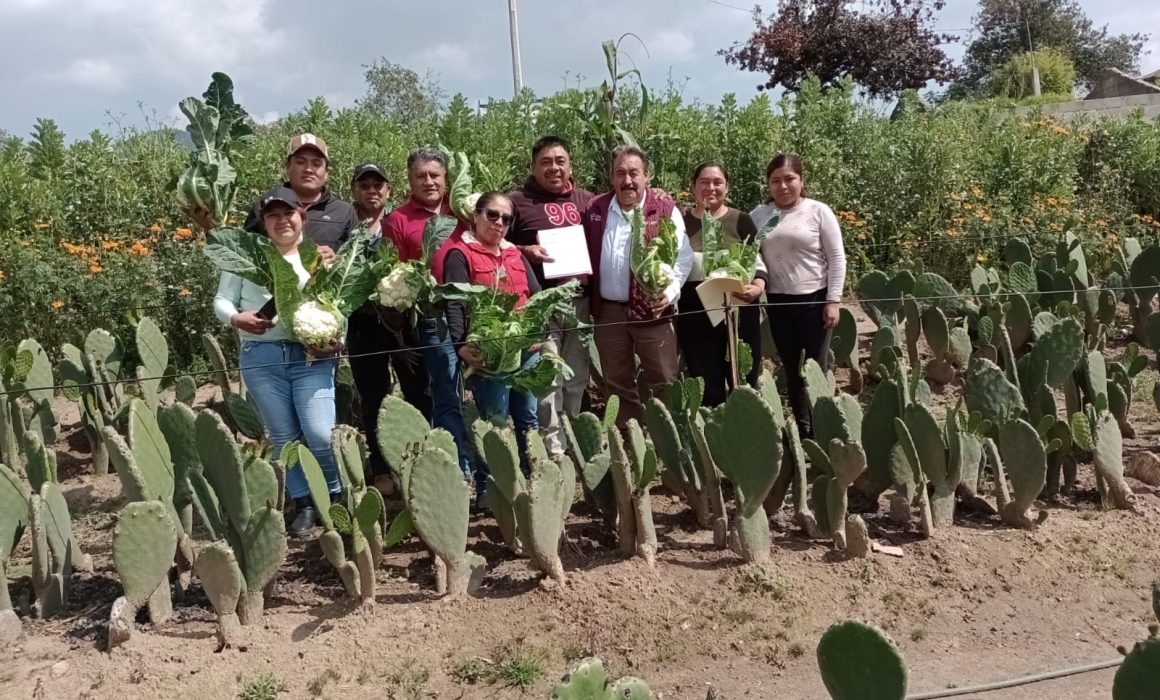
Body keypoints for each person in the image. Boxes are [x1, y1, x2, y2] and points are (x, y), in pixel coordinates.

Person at [212, 187, 343, 537]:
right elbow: (222, 300)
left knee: (319, 432)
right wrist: (237, 319)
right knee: (284, 436)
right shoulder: (246, 259)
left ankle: (334, 494)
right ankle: (304, 502)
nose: (282, 220)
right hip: (261, 357)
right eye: (273, 215)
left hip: (310, 358)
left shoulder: (320, 258)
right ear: (265, 222)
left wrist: (333, 338)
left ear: (302, 217)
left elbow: (337, 305)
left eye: (289, 214)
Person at [433, 192, 542, 482]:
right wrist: (460, 345)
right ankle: (490, 489)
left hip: (525, 350)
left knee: (528, 419)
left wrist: (538, 328)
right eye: (492, 215)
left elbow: (536, 293)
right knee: (494, 423)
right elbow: (454, 303)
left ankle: (532, 480)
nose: (499, 222)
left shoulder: (514, 253)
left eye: (506, 219)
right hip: (490, 355)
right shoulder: (460, 253)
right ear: (476, 215)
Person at [583, 145, 693, 426]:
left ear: (647, 176)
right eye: (620, 173)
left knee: (664, 381)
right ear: (611, 177)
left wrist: (668, 293)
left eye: (634, 173)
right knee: (617, 385)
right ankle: (630, 443)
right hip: (608, 314)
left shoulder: (666, 210)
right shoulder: (596, 208)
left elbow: (683, 258)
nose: (627, 180)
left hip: (653, 312)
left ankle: (670, 443)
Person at [383, 148, 474, 479]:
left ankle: (488, 466)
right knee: (448, 390)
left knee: (488, 387)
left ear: (446, 178)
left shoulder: (464, 211)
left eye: (435, 174)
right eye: (420, 176)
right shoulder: (399, 219)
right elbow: (393, 270)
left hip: (476, 310)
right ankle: (458, 469)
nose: (428, 181)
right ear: (410, 180)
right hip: (435, 317)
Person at [507, 135, 594, 456]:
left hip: (581, 302)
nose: (554, 168)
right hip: (542, 303)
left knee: (576, 375)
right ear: (533, 167)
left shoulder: (587, 201)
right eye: (546, 162)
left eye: (560, 161)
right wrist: (524, 250)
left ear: (570, 166)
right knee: (548, 377)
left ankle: (574, 444)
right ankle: (553, 450)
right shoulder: (517, 202)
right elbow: (492, 242)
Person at [346, 162, 432, 486]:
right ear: (355, 190)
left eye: (378, 185)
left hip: (404, 323)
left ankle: (423, 458)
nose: (372, 190)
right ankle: (381, 467)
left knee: (419, 391)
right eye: (364, 184)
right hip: (363, 325)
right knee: (373, 397)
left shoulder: (398, 222)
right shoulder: (347, 227)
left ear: (388, 190)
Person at [750, 154, 846, 437]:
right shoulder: (759, 216)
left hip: (814, 301)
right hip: (778, 302)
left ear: (801, 180)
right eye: (775, 180)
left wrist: (833, 300)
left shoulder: (818, 211)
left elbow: (837, 258)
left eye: (789, 179)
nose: (782, 186)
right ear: (768, 184)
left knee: (815, 369)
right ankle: (805, 430)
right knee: (791, 368)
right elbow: (748, 254)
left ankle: (824, 429)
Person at [678, 162, 766, 407]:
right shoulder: (680, 221)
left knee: (743, 380)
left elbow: (757, 260)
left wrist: (758, 286)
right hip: (695, 313)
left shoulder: (741, 220)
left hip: (739, 308)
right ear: (693, 187)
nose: (711, 188)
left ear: (727, 187)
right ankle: (713, 436)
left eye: (718, 182)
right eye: (704, 182)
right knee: (706, 384)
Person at [242, 134, 359, 260]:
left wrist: (336, 260)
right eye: (300, 162)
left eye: (316, 163)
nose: (308, 169)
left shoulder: (344, 211)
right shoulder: (265, 204)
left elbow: (356, 259)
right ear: (287, 167)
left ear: (326, 173)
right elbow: (246, 252)